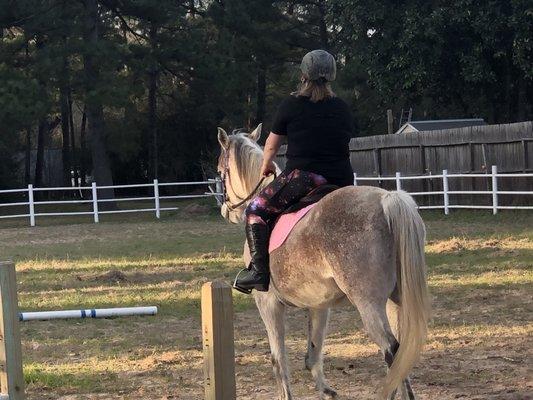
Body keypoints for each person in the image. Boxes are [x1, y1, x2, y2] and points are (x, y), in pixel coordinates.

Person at [233, 49, 354, 294]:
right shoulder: (341, 107)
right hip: (342, 180)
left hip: (306, 178)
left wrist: (266, 164)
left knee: (255, 210)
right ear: (331, 75)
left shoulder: (291, 104)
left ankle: (258, 272)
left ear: (303, 75)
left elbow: (271, 144)